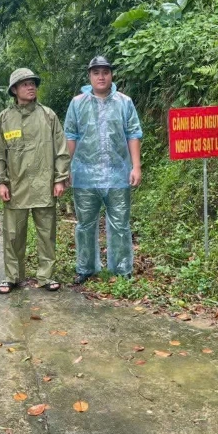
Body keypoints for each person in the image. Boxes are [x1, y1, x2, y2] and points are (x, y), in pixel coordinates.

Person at [64, 56, 142, 284]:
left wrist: (136, 166)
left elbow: (133, 133)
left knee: (120, 223)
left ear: (111, 75)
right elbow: (71, 135)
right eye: (96, 72)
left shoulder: (124, 102)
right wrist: (66, 168)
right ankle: (85, 268)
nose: (101, 76)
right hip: (84, 176)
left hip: (118, 174)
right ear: (89, 76)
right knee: (85, 224)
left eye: (105, 72)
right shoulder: (77, 103)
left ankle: (122, 268)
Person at [0, 68, 70, 293]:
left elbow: (61, 149)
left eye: (33, 83)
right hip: (16, 186)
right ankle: (12, 276)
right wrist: (2, 182)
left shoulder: (48, 115)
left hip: (44, 184)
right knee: (13, 235)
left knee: (47, 234)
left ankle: (46, 276)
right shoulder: (4, 119)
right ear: (14, 90)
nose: (31, 86)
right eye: (24, 84)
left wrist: (59, 178)